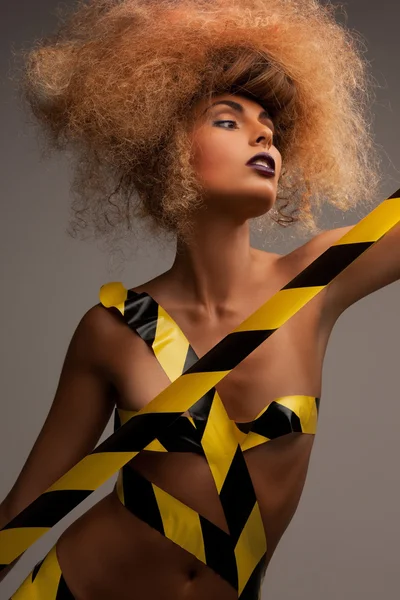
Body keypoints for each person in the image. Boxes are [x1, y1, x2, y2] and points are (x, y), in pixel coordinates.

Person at [1, 0, 400, 598]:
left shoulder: (319, 276)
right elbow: (29, 502)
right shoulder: (111, 329)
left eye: (269, 123)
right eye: (227, 119)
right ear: (166, 148)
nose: (263, 131)